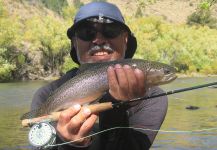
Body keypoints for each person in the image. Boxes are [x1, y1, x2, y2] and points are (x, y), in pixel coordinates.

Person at [31, 2, 168, 150]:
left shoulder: (152, 99)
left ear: (125, 39)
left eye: (110, 30)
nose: (98, 40)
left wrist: (117, 106)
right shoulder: (46, 96)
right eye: (86, 32)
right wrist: (71, 145)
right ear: (74, 43)